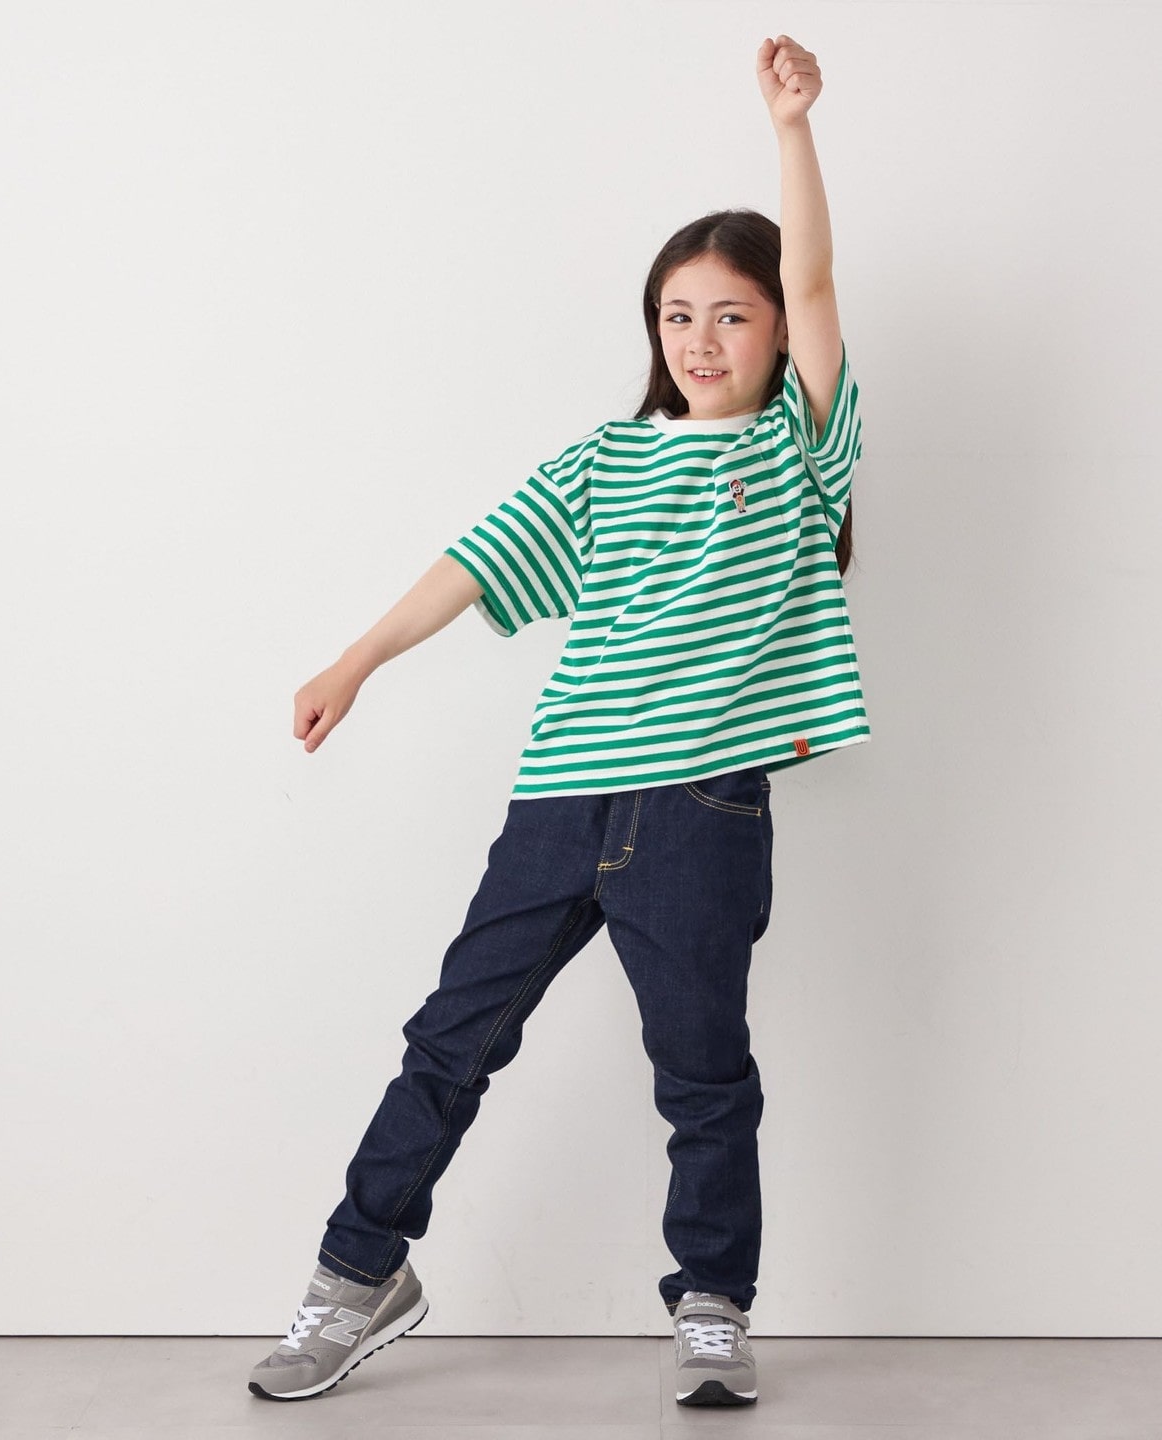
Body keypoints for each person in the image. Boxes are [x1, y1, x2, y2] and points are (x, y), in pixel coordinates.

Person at [248, 33, 867, 1411]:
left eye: (732, 316)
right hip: (560, 800)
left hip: (701, 809)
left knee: (702, 1075)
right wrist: (357, 660)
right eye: (676, 316)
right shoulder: (606, 458)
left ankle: (713, 1306)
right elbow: (475, 562)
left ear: (778, 332)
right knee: (450, 1042)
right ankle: (357, 1277)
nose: (700, 341)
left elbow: (821, 278)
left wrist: (791, 131)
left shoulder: (797, 449)